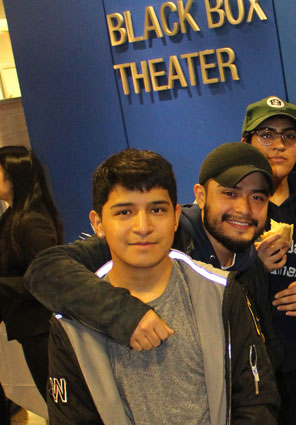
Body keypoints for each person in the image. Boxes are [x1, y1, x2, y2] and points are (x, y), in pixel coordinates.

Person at [46, 149, 278, 424]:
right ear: (98, 223)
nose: (143, 227)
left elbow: (256, 401)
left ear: (176, 216)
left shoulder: (221, 292)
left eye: (157, 210)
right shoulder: (71, 322)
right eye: (124, 212)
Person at [241, 96, 296, 425]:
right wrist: (253, 266)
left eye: (289, 136)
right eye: (267, 134)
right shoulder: (232, 207)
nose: (279, 145)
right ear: (246, 141)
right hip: (254, 370)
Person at [0, 146, 63, 420]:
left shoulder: (31, 222)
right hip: (30, 330)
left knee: (61, 404)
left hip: (44, 331)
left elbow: (49, 279)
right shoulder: (11, 218)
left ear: (13, 177)